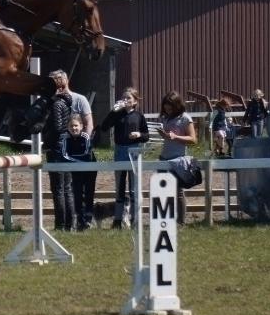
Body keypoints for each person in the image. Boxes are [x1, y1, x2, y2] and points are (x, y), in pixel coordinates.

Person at [100, 87, 150, 229]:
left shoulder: (139, 116)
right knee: (119, 187)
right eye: (124, 97)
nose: (125, 100)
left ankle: (135, 219)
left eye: (129, 98)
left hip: (134, 150)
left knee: (134, 188)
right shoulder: (117, 114)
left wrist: (139, 135)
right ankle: (117, 220)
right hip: (120, 151)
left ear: (135, 101)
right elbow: (104, 127)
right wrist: (113, 111)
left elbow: (146, 135)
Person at [158, 91, 197, 225]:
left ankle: (180, 221)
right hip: (164, 158)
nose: (167, 109)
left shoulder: (185, 118)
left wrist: (175, 137)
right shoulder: (166, 118)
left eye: (170, 107)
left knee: (178, 192)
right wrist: (165, 135)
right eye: (166, 107)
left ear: (177, 105)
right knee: (163, 190)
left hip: (178, 160)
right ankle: (167, 219)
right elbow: (169, 137)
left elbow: (193, 139)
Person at [42, 77, 75, 231]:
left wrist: (47, 143)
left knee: (58, 189)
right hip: (65, 145)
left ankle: (60, 224)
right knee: (66, 188)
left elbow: (57, 127)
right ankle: (69, 223)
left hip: (56, 147)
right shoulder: (66, 102)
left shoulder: (56, 103)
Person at [57, 113, 97, 230]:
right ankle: (80, 221)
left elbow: (87, 155)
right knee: (77, 194)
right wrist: (76, 161)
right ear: (68, 127)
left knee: (88, 194)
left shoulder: (86, 137)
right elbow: (63, 156)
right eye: (71, 126)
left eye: (76, 126)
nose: (74, 128)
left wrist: (73, 159)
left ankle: (88, 220)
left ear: (81, 126)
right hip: (76, 170)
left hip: (90, 170)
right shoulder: (66, 138)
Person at [49, 70, 94, 134]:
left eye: (59, 79)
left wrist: (84, 139)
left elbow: (89, 124)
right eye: (54, 80)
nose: (58, 82)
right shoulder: (49, 100)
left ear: (66, 80)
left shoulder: (80, 99)